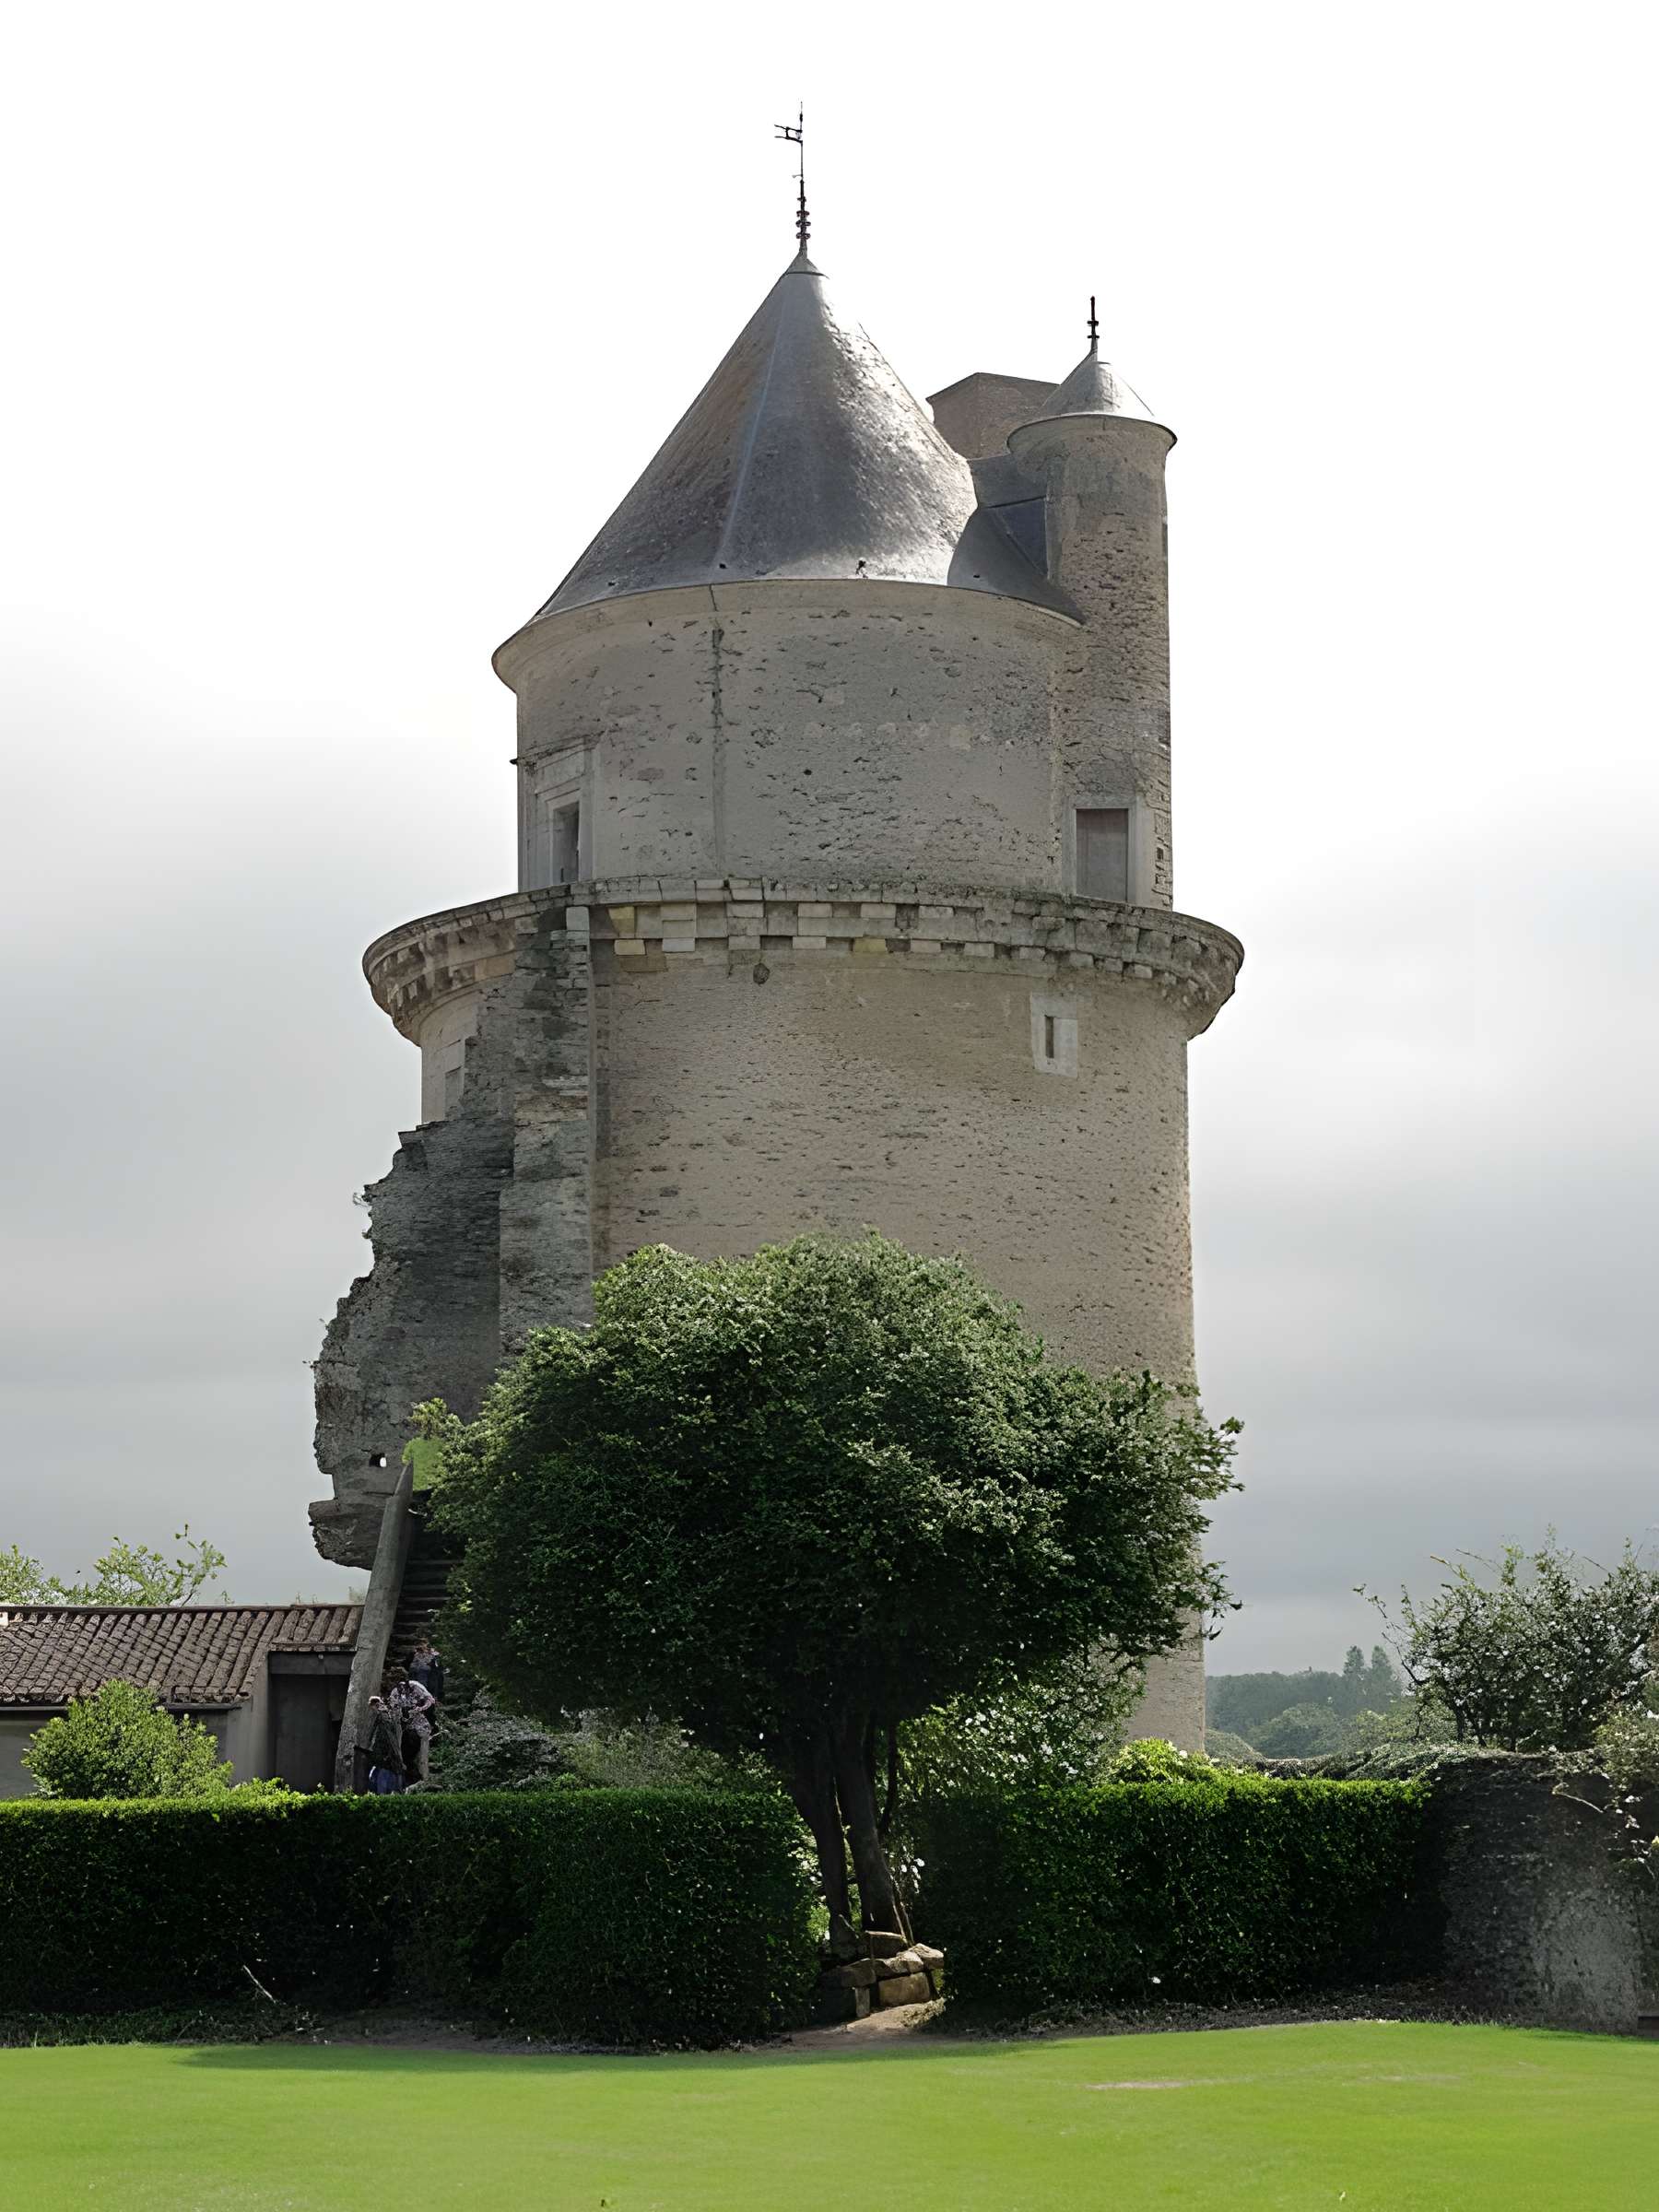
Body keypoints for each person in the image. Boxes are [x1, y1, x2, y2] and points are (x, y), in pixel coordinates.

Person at [386, 1667, 437, 1784]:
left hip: (420, 1725)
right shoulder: (395, 1692)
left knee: (423, 1755)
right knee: (404, 1753)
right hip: (405, 1727)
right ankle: (409, 1778)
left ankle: (425, 1779)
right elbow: (392, 1707)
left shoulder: (415, 1686)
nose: (398, 1685)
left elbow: (430, 1700)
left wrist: (420, 1708)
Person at [365, 1695, 406, 1794]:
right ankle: (395, 1791)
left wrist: (390, 1750)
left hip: (386, 1749)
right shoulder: (387, 1713)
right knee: (391, 1770)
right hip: (387, 1749)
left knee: (389, 1771)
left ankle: (394, 1791)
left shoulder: (383, 1715)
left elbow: (387, 1733)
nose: (373, 1710)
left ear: (376, 1705)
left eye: (373, 1707)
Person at [408, 1637, 445, 1707]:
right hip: (417, 1677)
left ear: (427, 1644)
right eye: (419, 1644)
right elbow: (408, 1665)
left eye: (423, 1643)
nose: (421, 1645)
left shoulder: (433, 1654)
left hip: (430, 1677)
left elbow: (438, 1667)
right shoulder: (414, 1654)